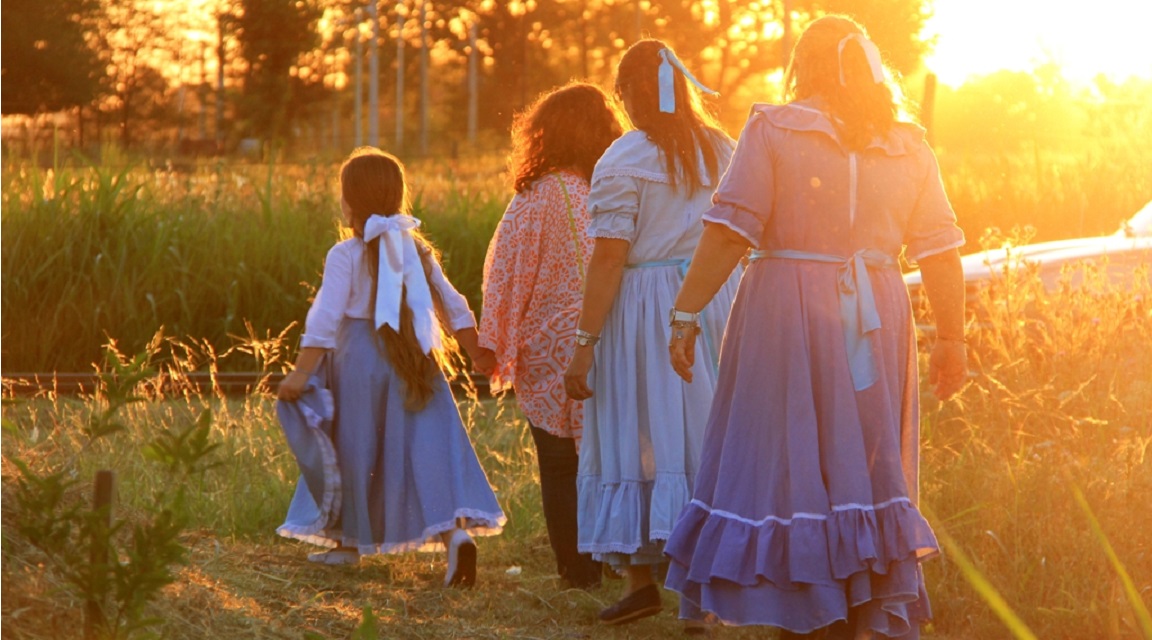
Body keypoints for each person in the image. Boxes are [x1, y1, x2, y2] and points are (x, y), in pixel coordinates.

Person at [661, 15, 968, 639]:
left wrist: (685, 311)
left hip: (785, 311)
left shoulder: (774, 127)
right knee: (865, 457)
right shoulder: (910, 145)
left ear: (806, 64)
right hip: (877, 319)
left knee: (788, 458)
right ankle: (856, 603)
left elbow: (730, 230)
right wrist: (953, 340)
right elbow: (941, 250)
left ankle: (806, 608)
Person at [562, 39, 739, 626]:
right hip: (711, 301)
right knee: (701, 434)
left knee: (637, 428)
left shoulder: (624, 158)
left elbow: (609, 260)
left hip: (644, 309)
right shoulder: (722, 151)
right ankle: (698, 596)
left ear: (632, 92)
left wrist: (583, 347)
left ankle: (644, 580)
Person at [276, 147, 506, 589]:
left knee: (354, 448)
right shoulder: (415, 250)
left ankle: (347, 543)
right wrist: (477, 353)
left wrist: (301, 372)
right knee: (425, 452)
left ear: (351, 202)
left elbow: (325, 318)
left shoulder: (345, 254)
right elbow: (451, 304)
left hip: (358, 361)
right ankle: (454, 536)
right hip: (414, 359)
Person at [479, 82, 626, 590]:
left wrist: (493, 343)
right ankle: (621, 562)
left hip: (548, 346)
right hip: (608, 338)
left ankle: (576, 570)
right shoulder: (615, 190)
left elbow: (504, 273)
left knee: (560, 463)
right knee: (608, 457)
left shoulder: (535, 197)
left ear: (545, 134)